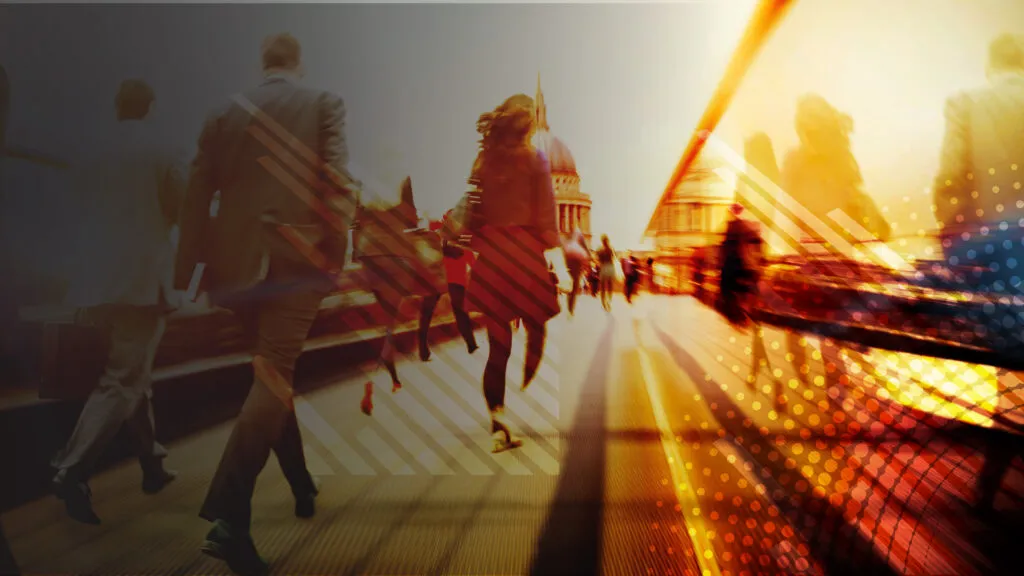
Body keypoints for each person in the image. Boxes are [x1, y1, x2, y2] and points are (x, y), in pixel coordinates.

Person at [174, 34, 357, 575]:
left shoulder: (222, 114)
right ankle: (229, 519)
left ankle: (301, 486)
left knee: (270, 377)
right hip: (295, 262)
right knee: (274, 377)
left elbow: (195, 193)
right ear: (298, 62)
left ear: (264, 64)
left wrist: (187, 272)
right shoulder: (324, 102)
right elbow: (337, 182)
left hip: (235, 269)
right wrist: (334, 255)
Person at [51, 79, 182, 525]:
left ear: (116, 107)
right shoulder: (161, 148)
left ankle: (152, 466)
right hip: (140, 283)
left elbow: (74, 204)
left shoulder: (92, 150)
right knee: (122, 378)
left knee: (132, 374)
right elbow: (180, 206)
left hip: (94, 281)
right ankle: (71, 470)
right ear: (151, 107)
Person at [932, 33, 1024, 514]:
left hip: (1004, 252)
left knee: (1011, 368)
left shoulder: (966, 103)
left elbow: (952, 177)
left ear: (991, 65)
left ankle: (988, 487)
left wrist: (955, 248)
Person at [460, 94, 560, 453]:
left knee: (497, 348)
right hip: (524, 253)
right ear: (528, 125)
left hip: (491, 256)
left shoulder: (482, 161)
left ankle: (498, 415)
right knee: (538, 324)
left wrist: (483, 240)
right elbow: (548, 218)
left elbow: (471, 214)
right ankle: (529, 371)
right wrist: (543, 240)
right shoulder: (536, 160)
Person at [357, 176, 446, 416]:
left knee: (387, 322)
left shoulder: (364, 179)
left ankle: (392, 379)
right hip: (395, 253)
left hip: (368, 253)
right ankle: (379, 379)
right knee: (394, 320)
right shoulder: (402, 179)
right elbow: (410, 216)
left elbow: (357, 216)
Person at [419, 211, 479, 360]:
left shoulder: (438, 232)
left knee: (426, 314)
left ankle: (423, 349)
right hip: (454, 279)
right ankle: (471, 345)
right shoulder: (461, 237)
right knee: (460, 313)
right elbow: (472, 261)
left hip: (438, 278)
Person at [562, 227, 590, 315]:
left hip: (568, 259)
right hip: (576, 259)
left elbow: (563, 248)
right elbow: (585, 247)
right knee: (575, 284)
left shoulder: (565, 234)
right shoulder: (578, 232)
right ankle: (571, 308)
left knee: (570, 283)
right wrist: (588, 257)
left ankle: (569, 303)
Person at [595, 235, 616, 311]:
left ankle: (604, 303)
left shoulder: (599, 249)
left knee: (603, 287)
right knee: (610, 286)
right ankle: (608, 301)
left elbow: (597, 259)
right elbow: (613, 258)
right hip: (610, 267)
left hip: (603, 268)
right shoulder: (610, 248)